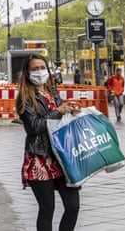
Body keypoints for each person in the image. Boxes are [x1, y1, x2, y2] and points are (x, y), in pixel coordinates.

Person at [15, 53, 81, 231]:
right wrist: (59, 111)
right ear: (27, 73)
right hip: (40, 158)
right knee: (47, 209)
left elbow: (59, 119)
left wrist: (69, 111)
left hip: (62, 156)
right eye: (34, 69)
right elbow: (34, 126)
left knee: (73, 205)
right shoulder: (25, 97)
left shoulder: (53, 93)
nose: (39, 72)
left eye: (42, 68)